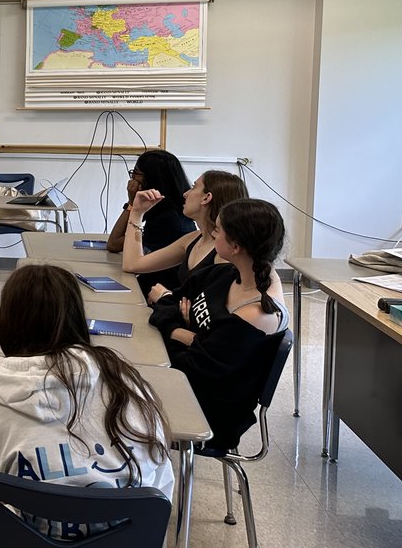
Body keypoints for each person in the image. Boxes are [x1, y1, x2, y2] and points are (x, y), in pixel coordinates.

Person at [0, 264, 174, 548]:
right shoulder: (126, 382)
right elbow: (161, 484)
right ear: (77, 318)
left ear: (7, 324)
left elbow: (0, 486)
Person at [148, 199, 289, 451]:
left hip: (209, 411)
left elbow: (196, 365)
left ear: (235, 246)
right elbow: (172, 301)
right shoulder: (227, 274)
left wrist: (175, 329)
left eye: (219, 230)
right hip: (186, 382)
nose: (213, 233)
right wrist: (192, 335)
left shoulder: (258, 314)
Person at [124, 170, 248, 305]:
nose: (185, 194)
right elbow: (132, 264)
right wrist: (136, 211)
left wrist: (166, 297)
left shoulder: (223, 254)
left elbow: (210, 312)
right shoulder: (192, 239)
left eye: (194, 187)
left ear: (206, 198)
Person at [105, 149, 194, 256]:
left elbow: (114, 244)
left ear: (152, 179)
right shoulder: (170, 208)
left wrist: (132, 203)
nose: (132, 177)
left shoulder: (168, 219)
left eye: (136, 172)